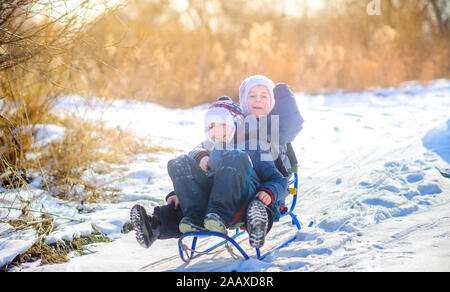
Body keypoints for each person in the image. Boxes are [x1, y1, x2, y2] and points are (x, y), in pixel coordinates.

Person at [131, 97, 286, 248]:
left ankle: (256, 225)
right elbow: (192, 178)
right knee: (178, 162)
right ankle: (155, 226)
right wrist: (177, 192)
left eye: (223, 124)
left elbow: (278, 180)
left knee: (233, 155)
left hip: (242, 200)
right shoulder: (206, 151)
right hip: (205, 206)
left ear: (237, 123)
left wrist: (268, 192)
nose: (216, 131)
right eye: (211, 127)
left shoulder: (256, 147)